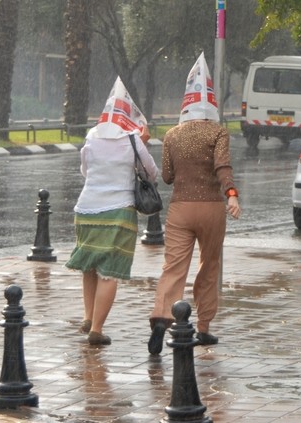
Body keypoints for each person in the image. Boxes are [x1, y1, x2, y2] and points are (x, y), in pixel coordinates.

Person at [147, 52, 241, 355]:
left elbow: (168, 177)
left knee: (173, 267)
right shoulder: (218, 132)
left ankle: (161, 319)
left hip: (180, 209)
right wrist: (231, 194)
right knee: (209, 266)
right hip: (212, 207)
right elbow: (222, 167)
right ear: (212, 104)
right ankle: (203, 327)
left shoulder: (172, 135)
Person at [66, 77, 159, 346]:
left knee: (90, 267)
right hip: (118, 212)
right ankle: (96, 328)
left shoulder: (91, 136)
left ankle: (87, 316)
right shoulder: (132, 139)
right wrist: (143, 143)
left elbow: (85, 171)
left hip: (86, 209)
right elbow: (150, 173)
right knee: (109, 272)